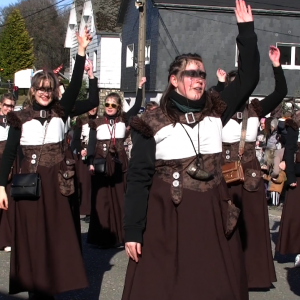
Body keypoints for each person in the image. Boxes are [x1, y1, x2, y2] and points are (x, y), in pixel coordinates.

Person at [122, 1, 259, 299]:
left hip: (211, 214)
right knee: (166, 287)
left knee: (213, 285)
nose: (198, 79)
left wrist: (246, 32)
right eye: (191, 74)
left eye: (202, 74)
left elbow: (248, 78)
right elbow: (138, 179)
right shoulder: (150, 121)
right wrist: (133, 231)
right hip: (167, 218)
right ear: (174, 80)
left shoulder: (216, 110)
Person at [0, 27, 92, 299]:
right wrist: (0, 186)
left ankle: (53, 286)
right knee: (32, 240)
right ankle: (35, 288)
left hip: (58, 185)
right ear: (32, 91)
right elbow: (9, 154)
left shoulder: (61, 112)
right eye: (40, 88)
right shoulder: (20, 117)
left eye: (48, 88)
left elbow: (75, 87)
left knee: (56, 237)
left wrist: (81, 51)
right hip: (28, 186)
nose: (44, 92)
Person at [222, 45, 287, 289]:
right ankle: (223, 274)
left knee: (251, 223)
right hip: (222, 170)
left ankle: (251, 276)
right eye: (232, 85)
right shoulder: (217, 111)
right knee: (222, 222)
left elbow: (281, 91)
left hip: (248, 170)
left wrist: (277, 65)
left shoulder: (255, 109)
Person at [86, 77, 146, 248]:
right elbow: (91, 144)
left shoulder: (124, 119)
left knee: (121, 198)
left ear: (118, 107)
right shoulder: (96, 123)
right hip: (100, 161)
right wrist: (90, 162)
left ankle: (120, 236)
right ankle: (101, 237)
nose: (109, 108)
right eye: (107, 104)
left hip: (119, 162)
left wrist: (140, 87)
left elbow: (136, 106)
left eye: (113, 105)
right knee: (102, 200)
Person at [276, 112, 300, 266]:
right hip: (297, 177)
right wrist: (291, 176)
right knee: (295, 217)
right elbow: (289, 151)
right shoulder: (294, 128)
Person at [0, 93, 16, 253]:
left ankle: (5, 239)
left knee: (7, 203)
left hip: (10, 163)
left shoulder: (15, 122)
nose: (8, 108)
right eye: (6, 105)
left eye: (11, 105)